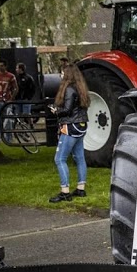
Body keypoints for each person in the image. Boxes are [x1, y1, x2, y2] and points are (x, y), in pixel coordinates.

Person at [48, 63, 89, 202]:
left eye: (62, 73)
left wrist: (56, 111)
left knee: (59, 159)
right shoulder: (81, 87)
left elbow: (67, 110)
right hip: (82, 125)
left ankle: (64, 191)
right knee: (80, 157)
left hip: (70, 126)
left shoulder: (69, 89)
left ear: (67, 75)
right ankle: (81, 188)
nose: (60, 75)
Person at [0, 61, 18, 144]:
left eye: (2, 66)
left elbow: (16, 88)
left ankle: (8, 137)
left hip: (7, 100)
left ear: (5, 66)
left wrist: (11, 98)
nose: (0, 67)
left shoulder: (10, 76)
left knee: (8, 119)